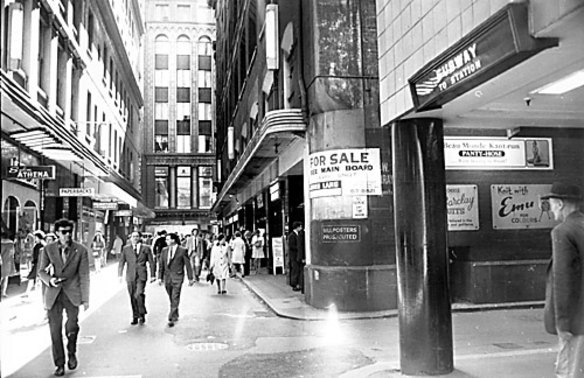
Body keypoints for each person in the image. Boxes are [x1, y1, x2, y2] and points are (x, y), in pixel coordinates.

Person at [37, 218, 90, 377]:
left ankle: (71, 352)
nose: (67, 235)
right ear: (57, 233)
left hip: (72, 294)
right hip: (53, 295)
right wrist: (50, 280)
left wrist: (86, 299)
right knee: (55, 331)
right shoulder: (48, 249)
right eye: (64, 232)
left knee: (72, 327)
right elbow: (41, 272)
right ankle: (59, 364)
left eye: (69, 232)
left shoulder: (80, 250)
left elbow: (84, 275)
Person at [542, 182, 584, 377]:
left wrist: (563, 324)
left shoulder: (562, 231)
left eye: (550, 204)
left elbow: (563, 280)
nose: (550, 210)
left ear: (559, 204)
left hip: (575, 320)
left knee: (569, 370)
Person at [118, 231, 156, 325]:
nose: (135, 238)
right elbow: (122, 262)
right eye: (133, 236)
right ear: (130, 238)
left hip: (141, 275)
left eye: (137, 236)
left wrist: (153, 275)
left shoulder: (146, 248)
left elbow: (151, 262)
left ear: (140, 237)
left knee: (139, 294)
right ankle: (135, 316)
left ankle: (142, 314)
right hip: (130, 275)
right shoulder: (126, 249)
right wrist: (119, 275)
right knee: (132, 296)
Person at [158, 232, 194, 327]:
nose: (166, 241)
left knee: (175, 296)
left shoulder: (182, 250)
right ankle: (175, 311)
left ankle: (171, 316)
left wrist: (190, 278)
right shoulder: (164, 250)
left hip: (178, 276)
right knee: (171, 296)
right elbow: (161, 264)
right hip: (167, 277)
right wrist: (159, 277)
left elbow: (188, 264)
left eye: (168, 239)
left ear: (173, 240)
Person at [24, 231, 46, 297]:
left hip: (39, 264)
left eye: (36, 237)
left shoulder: (41, 245)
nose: (35, 239)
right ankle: (29, 293)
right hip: (37, 263)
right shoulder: (39, 245)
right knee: (34, 278)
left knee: (35, 278)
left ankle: (30, 293)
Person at [288, 222, 306, 292]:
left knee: (298, 269)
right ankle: (294, 284)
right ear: (297, 227)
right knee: (295, 270)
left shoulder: (299, 234)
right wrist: (298, 248)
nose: (301, 228)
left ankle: (298, 283)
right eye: (300, 227)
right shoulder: (292, 235)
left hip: (297, 255)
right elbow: (291, 246)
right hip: (294, 255)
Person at [1, 230, 17, 298]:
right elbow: (13, 253)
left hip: (1, 261)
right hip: (7, 261)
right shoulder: (11, 244)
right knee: (5, 277)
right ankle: (3, 292)